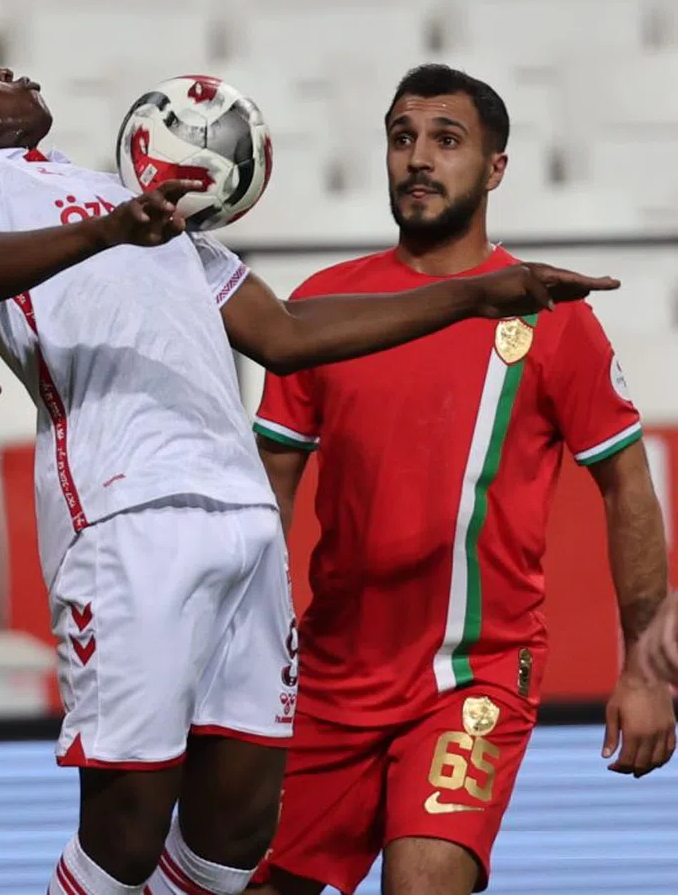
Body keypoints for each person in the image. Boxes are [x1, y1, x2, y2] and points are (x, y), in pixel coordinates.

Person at [0, 49, 620, 895]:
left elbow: (284, 332)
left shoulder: (121, 193)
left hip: (242, 515)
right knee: (126, 831)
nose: (9, 71)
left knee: (235, 838)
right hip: (128, 513)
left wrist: (475, 298)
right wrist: (106, 232)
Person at [248, 64, 676, 895]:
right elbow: (271, 486)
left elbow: (628, 485)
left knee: (424, 882)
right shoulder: (319, 310)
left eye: (447, 140)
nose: (418, 158)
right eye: (402, 138)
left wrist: (645, 668)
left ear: (495, 168)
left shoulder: (552, 317)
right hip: (329, 676)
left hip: (473, 676)